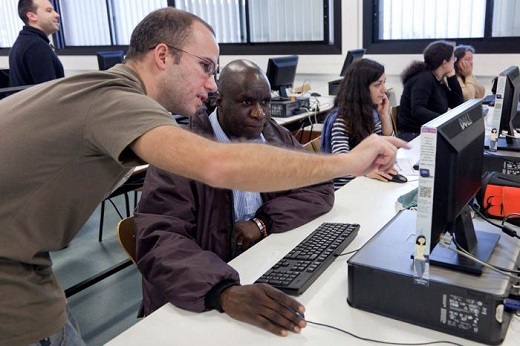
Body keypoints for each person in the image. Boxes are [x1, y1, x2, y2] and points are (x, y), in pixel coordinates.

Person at [0, 8, 406, 345]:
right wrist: (349, 163)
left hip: (29, 262)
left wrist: (264, 223)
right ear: (163, 55)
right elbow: (218, 166)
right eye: (205, 67)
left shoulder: (99, 92)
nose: (211, 84)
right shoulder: (116, 100)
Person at [134, 59, 335, 335]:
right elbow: (159, 240)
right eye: (246, 103)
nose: (259, 114)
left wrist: (264, 222)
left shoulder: (274, 135)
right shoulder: (180, 152)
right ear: (218, 100)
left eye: (265, 102)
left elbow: (320, 186)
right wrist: (224, 292)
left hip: (257, 266)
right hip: (198, 293)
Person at [322, 58, 396, 190]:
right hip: (345, 190)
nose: (384, 89)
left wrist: (384, 115)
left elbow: (390, 148)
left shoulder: (372, 113)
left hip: (365, 184)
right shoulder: (342, 120)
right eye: (377, 84)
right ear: (362, 89)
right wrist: (366, 171)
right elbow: (340, 166)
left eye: (384, 82)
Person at [398, 40, 464, 141]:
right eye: (453, 59)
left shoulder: (438, 80)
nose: (454, 62)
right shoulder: (423, 79)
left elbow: (457, 104)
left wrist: (452, 77)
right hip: (414, 135)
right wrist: (444, 120)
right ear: (444, 63)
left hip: (429, 132)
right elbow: (417, 110)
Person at [8, 0, 64, 87]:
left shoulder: (24, 41)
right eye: (49, 11)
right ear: (32, 16)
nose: (57, 15)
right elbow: (49, 92)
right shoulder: (36, 46)